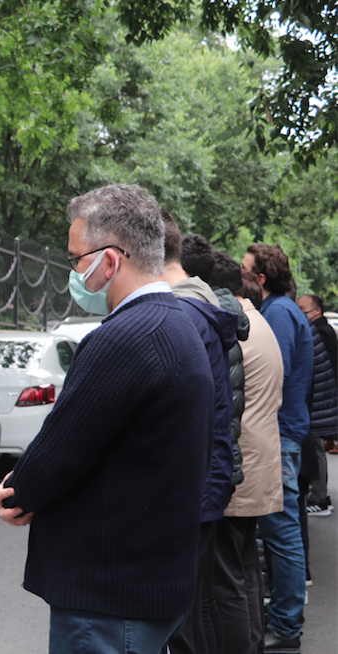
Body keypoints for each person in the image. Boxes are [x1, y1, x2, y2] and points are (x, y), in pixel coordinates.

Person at [0, 184, 214, 654]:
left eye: (76, 259)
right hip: (151, 582)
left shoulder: (125, 338)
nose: (74, 272)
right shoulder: (178, 325)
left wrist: (18, 492)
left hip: (110, 597)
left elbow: (61, 448)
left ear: (110, 261)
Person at [161, 221, 239, 654]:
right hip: (209, 476)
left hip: (194, 483)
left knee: (184, 622)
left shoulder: (184, 314)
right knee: (198, 610)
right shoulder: (201, 306)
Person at [210, 256, 284, 653]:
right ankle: (253, 643)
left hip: (242, 467)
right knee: (245, 571)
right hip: (257, 465)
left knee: (227, 579)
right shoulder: (258, 321)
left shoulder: (237, 329)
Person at [242, 244, 313, 652]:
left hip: (279, 433)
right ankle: (284, 619)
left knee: (281, 531)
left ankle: (286, 625)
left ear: (260, 278)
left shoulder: (280, 313)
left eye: (245, 269)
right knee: (279, 529)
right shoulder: (280, 309)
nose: (240, 274)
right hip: (283, 431)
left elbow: (274, 374)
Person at [296, 294, 336, 516]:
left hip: (319, 401)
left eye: (303, 310)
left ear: (317, 311)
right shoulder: (324, 330)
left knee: (316, 448)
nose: (299, 314)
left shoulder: (320, 332)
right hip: (322, 401)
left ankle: (319, 498)